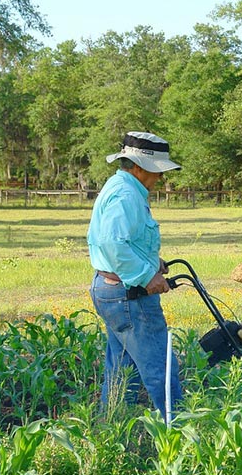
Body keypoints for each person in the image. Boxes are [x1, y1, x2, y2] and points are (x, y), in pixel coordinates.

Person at [87, 131, 182, 412]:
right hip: (128, 295)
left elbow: (127, 240)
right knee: (160, 367)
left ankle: (113, 431)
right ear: (139, 167)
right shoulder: (126, 194)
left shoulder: (122, 186)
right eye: (157, 171)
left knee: (121, 369)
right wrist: (146, 276)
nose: (160, 178)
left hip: (112, 291)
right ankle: (178, 431)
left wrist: (154, 263)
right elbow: (112, 242)